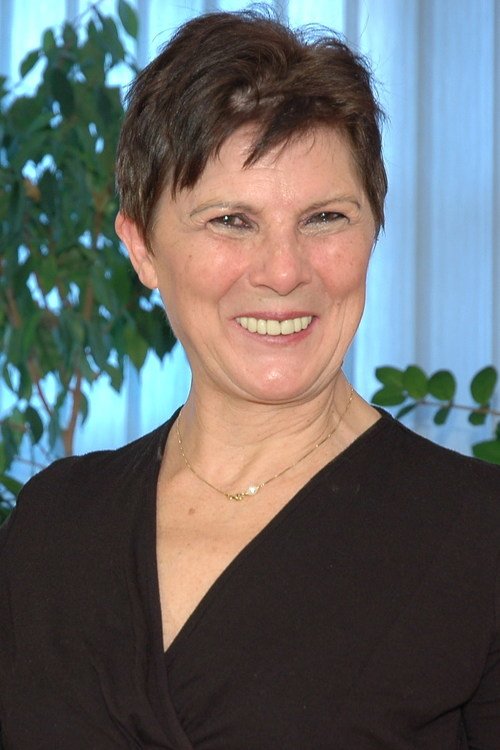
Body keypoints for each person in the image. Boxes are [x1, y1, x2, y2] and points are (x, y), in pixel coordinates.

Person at [1, 9, 499, 749]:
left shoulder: (480, 541)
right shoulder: (51, 528)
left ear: (374, 229)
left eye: (324, 217)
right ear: (142, 247)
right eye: (231, 220)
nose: (284, 271)